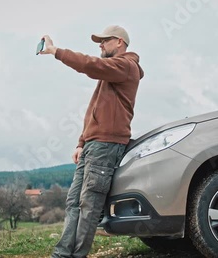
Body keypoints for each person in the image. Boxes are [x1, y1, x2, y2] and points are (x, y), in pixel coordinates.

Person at [39, 25, 144, 258]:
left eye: (104, 40)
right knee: (73, 202)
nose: (100, 45)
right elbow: (93, 110)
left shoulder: (126, 66)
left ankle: (77, 255)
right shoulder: (110, 73)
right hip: (93, 144)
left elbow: (91, 65)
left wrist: (57, 52)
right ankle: (62, 254)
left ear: (119, 42)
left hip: (107, 145)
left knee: (89, 205)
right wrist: (81, 143)